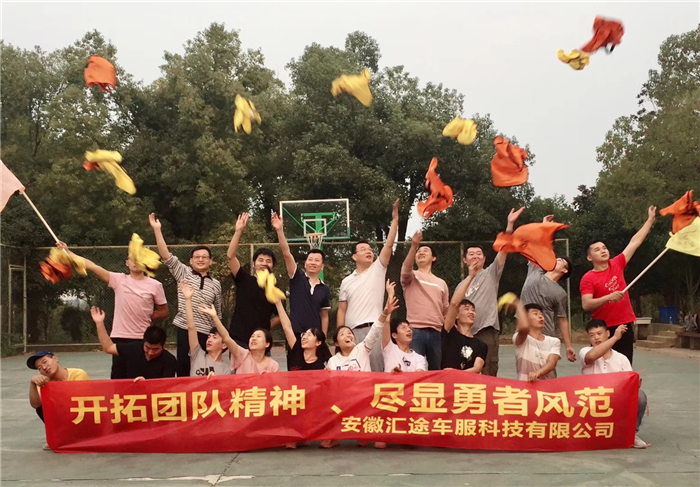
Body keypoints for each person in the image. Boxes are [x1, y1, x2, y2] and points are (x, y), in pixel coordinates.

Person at [55, 241, 168, 379]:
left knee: (140, 378)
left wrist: (148, 316)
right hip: (120, 337)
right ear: (127, 263)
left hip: (142, 338)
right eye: (133, 258)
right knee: (119, 377)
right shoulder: (118, 279)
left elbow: (163, 311)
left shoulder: (155, 285)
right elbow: (92, 266)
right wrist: (68, 252)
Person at [325, 281, 399, 449]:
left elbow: (375, 330)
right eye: (342, 334)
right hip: (343, 399)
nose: (348, 335)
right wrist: (326, 374)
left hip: (365, 397)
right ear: (336, 342)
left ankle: (369, 433)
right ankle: (333, 435)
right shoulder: (333, 361)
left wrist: (385, 313)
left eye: (350, 333)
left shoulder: (362, 349)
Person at [580, 206, 657, 365]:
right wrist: (608, 297)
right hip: (603, 328)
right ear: (589, 257)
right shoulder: (588, 278)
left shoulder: (617, 263)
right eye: (597, 250)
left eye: (604, 248)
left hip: (624, 324)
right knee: (603, 365)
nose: (603, 251)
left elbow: (635, 242)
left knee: (624, 364)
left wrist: (650, 220)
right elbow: (586, 304)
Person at [149, 213, 222, 377]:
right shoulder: (183, 273)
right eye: (197, 257)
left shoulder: (216, 284)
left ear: (211, 261)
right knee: (184, 368)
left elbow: (218, 313)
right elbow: (166, 255)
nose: (201, 259)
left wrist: (217, 335)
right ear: (191, 261)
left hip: (206, 333)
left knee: (205, 371)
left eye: (204, 257)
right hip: (185, 330)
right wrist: (157, 229)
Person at [459, 207, 525, 377]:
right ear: (465, 260)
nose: (475, 256)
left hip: (486, 330)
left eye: (479, 254)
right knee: (466, 369)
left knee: (488, 369)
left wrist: (510, 224)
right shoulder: (461, 286)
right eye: (471, 254)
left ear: (484, 259)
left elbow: (504, 249)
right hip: (465, 332)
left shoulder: (491, 273)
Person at [337, 199, 399, 372]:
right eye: (363, 249)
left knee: (377, 371)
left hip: (375, 329)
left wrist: (395, 221)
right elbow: (341, 310)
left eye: (370, 249)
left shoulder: (378, 269)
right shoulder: (346, 281)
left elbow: (388, 245)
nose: (368, 251)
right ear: (354, 257)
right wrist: (339, 335)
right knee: (354, 373)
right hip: (352, 332)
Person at [580, 320, 649, 448]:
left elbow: (629, 384)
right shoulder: (585, 351)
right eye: (592, 335)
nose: (596, 338)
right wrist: (616, 338)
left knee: (640, 396)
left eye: (599, 333)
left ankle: (631, 434)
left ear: (607, 333)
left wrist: (635, 385)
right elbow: (591, 357)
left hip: (615, 399)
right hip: (591, 399)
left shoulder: (621, 358)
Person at [520, 215, 576, 367]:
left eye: (560, 261)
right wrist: (544, 228)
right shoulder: (535, 270)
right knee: (525, 372)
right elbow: (539, 248)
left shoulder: (560, 293)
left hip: (545, 336)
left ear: (564, 270)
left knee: (546, 372)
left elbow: (562, 319)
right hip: (524, 332)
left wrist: (568, 346)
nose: (556, 260)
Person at [272, 212, 331, 340]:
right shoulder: (297, 277)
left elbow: (324, 315)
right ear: (305, 263)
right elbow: (286, 253)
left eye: (317, 260)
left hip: (314, 337)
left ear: (322, 266)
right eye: (310, 259)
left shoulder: (324, 289)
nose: (313, 262)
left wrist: (323, 337)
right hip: (295, 334)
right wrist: (279, 230)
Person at [226, 212, 279, 350]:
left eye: (268, 261)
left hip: (261, 343)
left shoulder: (274, 289)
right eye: (260, 260)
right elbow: (230, 256)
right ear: (254, 263)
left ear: (272, 266)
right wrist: (238, 231)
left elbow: (280, 316)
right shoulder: (243, 278)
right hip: (238, 340)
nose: (264, 263)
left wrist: (265, 328)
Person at [400, 230, 449, 370]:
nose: (421, 252)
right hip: (415, 331)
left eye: (425, 250)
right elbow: (405, 269)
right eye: (418, 251)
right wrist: (413, 245)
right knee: (414, 370)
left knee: (437, 371)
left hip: (437, 333)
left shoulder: (441, 283)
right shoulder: (411, 276)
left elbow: (446, 310)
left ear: (434, 258)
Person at [91, 306, 177, 380]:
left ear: (163, 346)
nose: (150, 353)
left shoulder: (169, 360)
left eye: (155, 349)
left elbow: (166, 386)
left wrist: (147, 384)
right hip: (130, 393)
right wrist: (99, 323)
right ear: (143, 342)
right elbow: (108, 347)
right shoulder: (133, 349)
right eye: (147, 348)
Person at [27, 351, 90, 450]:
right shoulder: (44, 383)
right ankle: (60, 437)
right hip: (65, 418)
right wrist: (32, 384)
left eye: (45, 362)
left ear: (55, 359)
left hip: (83, 415)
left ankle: (81, 435)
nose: (44, 367)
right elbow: (36, 405)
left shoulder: (78, 374)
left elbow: (82, 400)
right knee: (41, 407)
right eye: (39, 368)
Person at [201, 301, 280, 375]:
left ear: (267, 344)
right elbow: (226, 338)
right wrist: (215, 317)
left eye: (258, 336)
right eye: (252, 336)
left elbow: (276, 384)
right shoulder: (242, 355)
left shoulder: (273, 365)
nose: (254, 338)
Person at [442, 263, 487, 372]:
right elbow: (454, 304)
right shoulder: (449, 332)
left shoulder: (481, 345)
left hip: (465, 382)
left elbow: (477, 368)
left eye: (473, 310)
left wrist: (456, 374)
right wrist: (470, 277)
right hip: (446, 381)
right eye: (466, 309)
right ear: (457, 315)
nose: (471, 312)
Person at [181, 282, 231, 377]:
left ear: (224, 345)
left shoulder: (227, 370)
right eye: (209, 337)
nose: (209, 339)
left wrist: (215, 381)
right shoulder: (197, 355)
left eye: (214, 337)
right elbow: (191, 327)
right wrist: (187, 299)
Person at [508, 299, 561, 381]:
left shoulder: (554, 341)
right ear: (526, 318)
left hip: (548, 387)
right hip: (525, 386)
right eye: (535, 314)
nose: (540, 316)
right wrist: (519, 307)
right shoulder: (520, 339)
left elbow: (552, 363)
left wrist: (537, 373)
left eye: (541, 314)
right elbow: (524, 328)